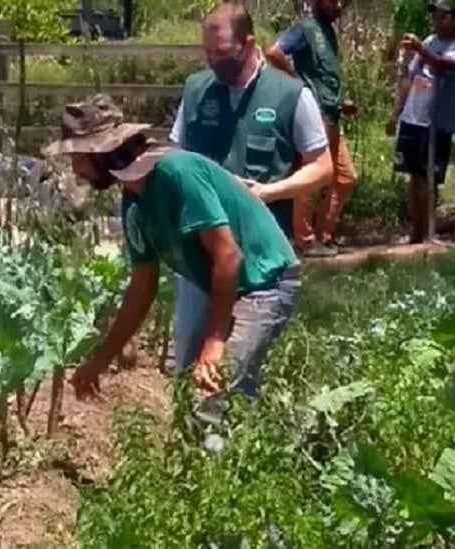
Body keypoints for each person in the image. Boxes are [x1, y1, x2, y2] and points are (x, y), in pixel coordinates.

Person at [43, 94, 302, 423]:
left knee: (215, 393)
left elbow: (228, 255)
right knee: (197, 394)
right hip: (232, 288)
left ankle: (247, 460)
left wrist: (214, 340)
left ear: (101, 152)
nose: (75, 169)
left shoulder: (177, 172)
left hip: (264, 282)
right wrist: (100, 361)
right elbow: (141, 289)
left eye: (77, 157)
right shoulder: (134, 202)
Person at [169, 2, 334, 252]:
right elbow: (175, 157)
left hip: (264, 247)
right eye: (208, 52)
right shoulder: (196, 90)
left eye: (221, 52)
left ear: (247, 44)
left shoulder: (291, 95)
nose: (213, 61)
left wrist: (268, 192)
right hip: (200, 247)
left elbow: (322, 166)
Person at [265, 0, 359, 257]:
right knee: (312, 176)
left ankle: (322, 235)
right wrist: (299, 85)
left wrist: (341, 104)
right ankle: (304, 240)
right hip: (315, 115)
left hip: (331, 113)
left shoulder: (328, 31)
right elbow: (274, 52)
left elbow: (324, 75)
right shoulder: (305, 28)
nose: (338, 5)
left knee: (345, 177)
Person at [387, 0, 455, 244]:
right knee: (413, 176)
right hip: (413, 118)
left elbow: (442, 64)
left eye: (443, 17)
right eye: (435, 17)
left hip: (437, 123)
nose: (437, 22)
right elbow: (410, 77)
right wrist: (397, 112)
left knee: (429, 178)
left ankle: (429, 231)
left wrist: (420, 50)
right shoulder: (428, 42)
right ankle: (415, 231)